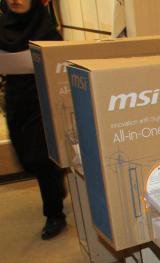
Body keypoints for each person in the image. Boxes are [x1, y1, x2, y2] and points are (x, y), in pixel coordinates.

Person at [0, 0, 66, 239]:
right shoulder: (2, 26)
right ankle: (56, 182)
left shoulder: (46, 30)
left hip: (42, 99)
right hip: (15, 99)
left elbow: (59, 66)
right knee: (25, 156)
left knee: (41, 158)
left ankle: (54, 214)